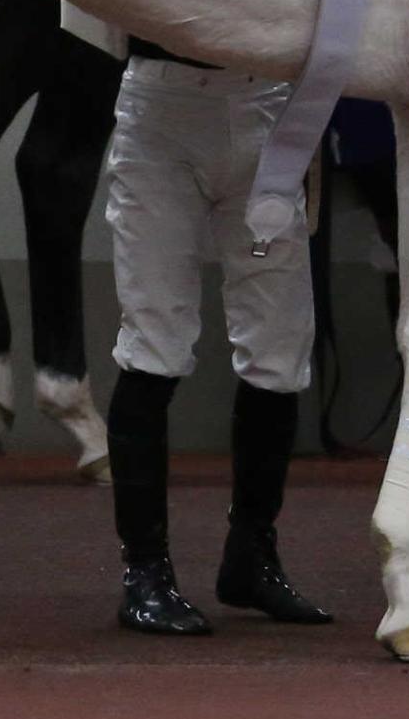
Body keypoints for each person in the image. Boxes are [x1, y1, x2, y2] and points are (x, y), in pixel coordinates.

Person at [103, 39, 332, 636]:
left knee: (280, 346)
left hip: (269, 103)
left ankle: (252, 555)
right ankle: (145, 572)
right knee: (154, 339)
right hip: (161, 101)